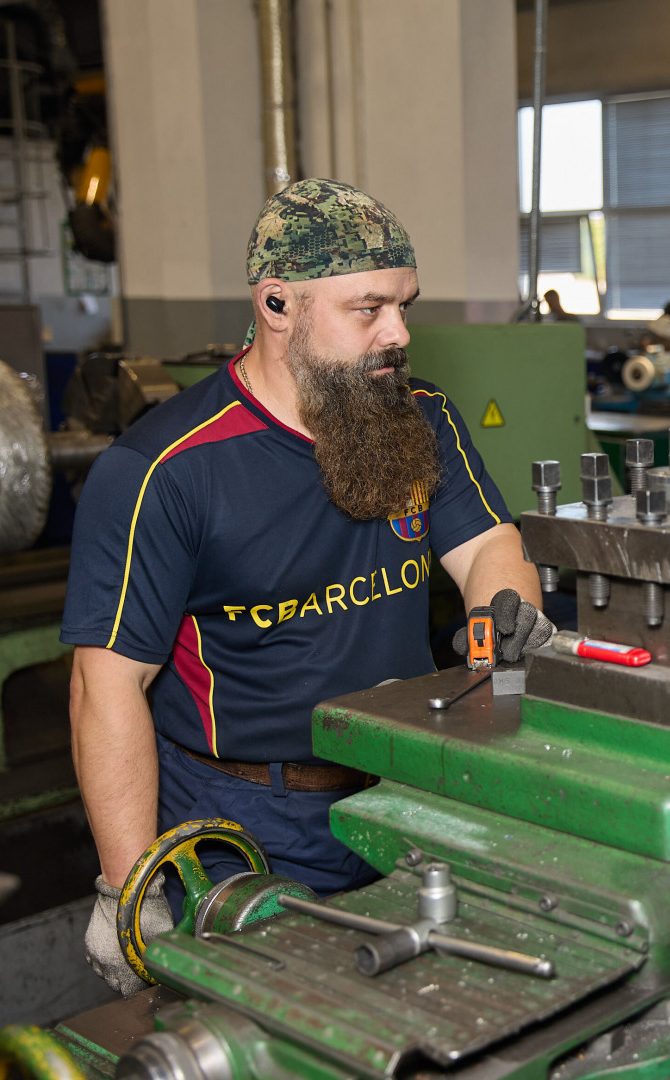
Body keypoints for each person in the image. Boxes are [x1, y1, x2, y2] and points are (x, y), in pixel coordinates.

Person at [62, 179, 552, 994]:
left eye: (404, 304)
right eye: (369, 309)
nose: (398, 333)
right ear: (278, 304)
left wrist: (508, 616)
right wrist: (127, 890)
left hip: (404, 793)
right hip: (245, 825)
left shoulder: (419, 418)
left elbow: (488, 548)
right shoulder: (166, 470)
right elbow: (105, 688)